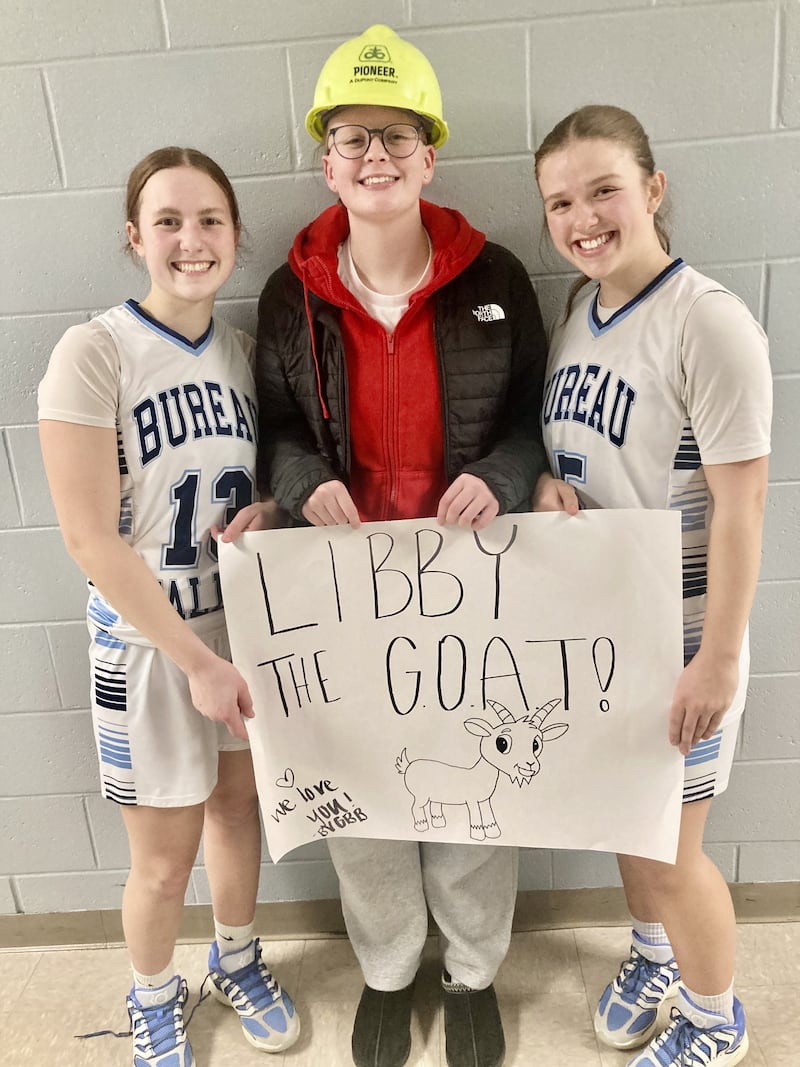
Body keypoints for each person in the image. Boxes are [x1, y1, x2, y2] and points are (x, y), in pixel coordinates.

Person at [249, 24, 548, 1067]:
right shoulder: (292, 293)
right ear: (324, 158)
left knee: (472, 784)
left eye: (396, 136)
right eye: (350, 137)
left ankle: (470, 973)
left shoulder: (495, 275)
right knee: (359, 790)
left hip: (468, 591)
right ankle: (387, 971)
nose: (373, 155)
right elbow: (275, 429)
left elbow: (526, 417)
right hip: (340, 592)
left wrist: (503, 478)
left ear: (431, 153)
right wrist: (303, 483)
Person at [38, 147, 300, 1067]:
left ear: (235, 233)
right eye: (169, 222)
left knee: (238, 813)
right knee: (161, 857)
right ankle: (152, 996)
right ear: (134, 237)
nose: (192, 241)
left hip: (234, 631)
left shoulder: (241, 353)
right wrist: (196, 662)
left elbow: (248, 488)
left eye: (210, 221)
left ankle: (237, 957)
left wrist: (265, 512)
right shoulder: (93, 350)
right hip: (155, 646)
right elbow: (89, 538)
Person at [533, 105, 771, 1067]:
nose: (583, 218)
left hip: (680, 643)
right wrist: (553, 480)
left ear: (653, 190)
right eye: (560, 202)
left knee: (672, 854)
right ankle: (652, 956)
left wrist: (714, 660)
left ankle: (718, 1022)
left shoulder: (706, 320)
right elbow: (582, 455)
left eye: (603, 191)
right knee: (626, 827)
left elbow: (745, 509)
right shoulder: (574, 315)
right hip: (601, 636)